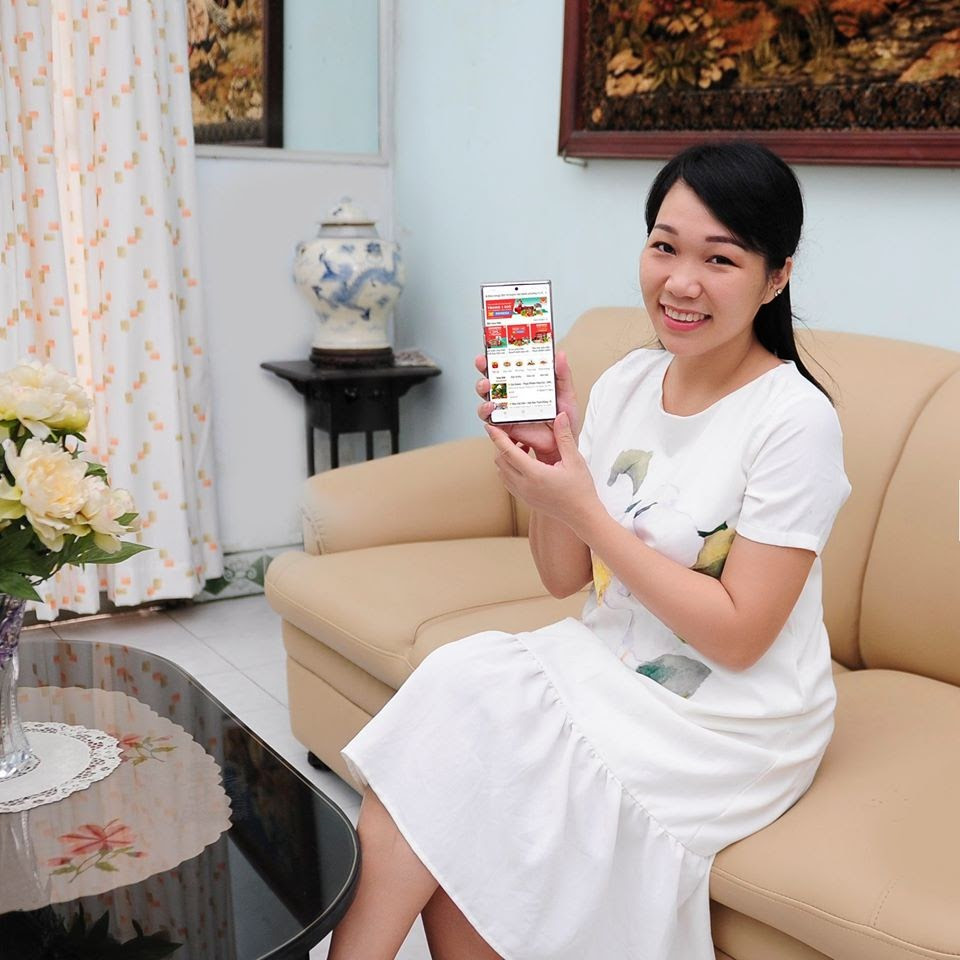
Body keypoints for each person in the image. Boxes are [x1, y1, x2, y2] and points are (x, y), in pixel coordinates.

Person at [328, 142, 852, 960]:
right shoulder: (628, 382)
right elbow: (563, 578)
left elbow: (741, 637)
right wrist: (550, 462)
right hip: (608, 661)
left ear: (775, 277)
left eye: (720, 259)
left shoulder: (795, 421)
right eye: (664, 246)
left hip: (729, 718)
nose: (681, 282)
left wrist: (585, 508)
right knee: (457, 710)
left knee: (464, 716)